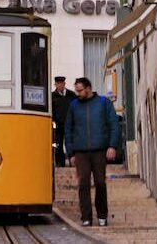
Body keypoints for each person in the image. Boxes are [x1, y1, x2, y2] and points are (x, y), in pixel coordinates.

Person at [64, 77, 119, 228]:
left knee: (100, 183)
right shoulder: (74, 106)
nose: (78, 93)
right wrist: (70, 153)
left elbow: (114, 124)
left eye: (80, 90)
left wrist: (112, 146)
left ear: (89, 88)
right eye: (76, 90)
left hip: (100, 150)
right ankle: (86, 217)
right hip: (80, 152)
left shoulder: (103, 103)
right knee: (83, 184)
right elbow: (68, 129)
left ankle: (102, 215)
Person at [51, 76, 74, 167]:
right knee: (58, 145)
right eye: (58, 84)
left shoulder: (71, 95)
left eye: (61, 84)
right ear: (55, 85)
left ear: (64, 84)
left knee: (71, 143)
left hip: (70, 124)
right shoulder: (53, 96)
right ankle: (60, 163)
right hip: (58, 125)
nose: (60, 86)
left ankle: (72, 162)